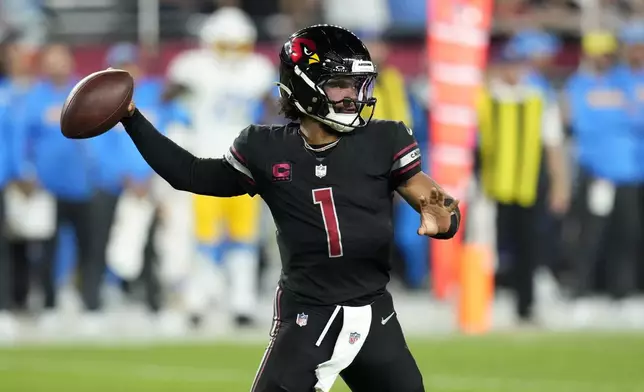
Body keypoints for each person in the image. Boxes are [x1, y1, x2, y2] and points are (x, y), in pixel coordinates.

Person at [118, 25, 460, 392]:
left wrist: (445, 219)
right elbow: (189, 174)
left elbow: (433, 200)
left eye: (358, 84)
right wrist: (132, 119)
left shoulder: (385, 138)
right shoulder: (265, 148)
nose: (353, 96)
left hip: (375, 314)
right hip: (307, 317)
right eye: (340, 84)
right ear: (304, 87)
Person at [165, 6, 275, 327]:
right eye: (226, 44)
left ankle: (241, 302)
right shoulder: (194, 67)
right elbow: (168, 94)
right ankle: (198, 300)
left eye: (237, 45)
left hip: (244, 166)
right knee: (204, 238)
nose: (232, 52)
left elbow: (271, 106)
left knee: (244, 238)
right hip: (207, 163)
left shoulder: (256, 69)